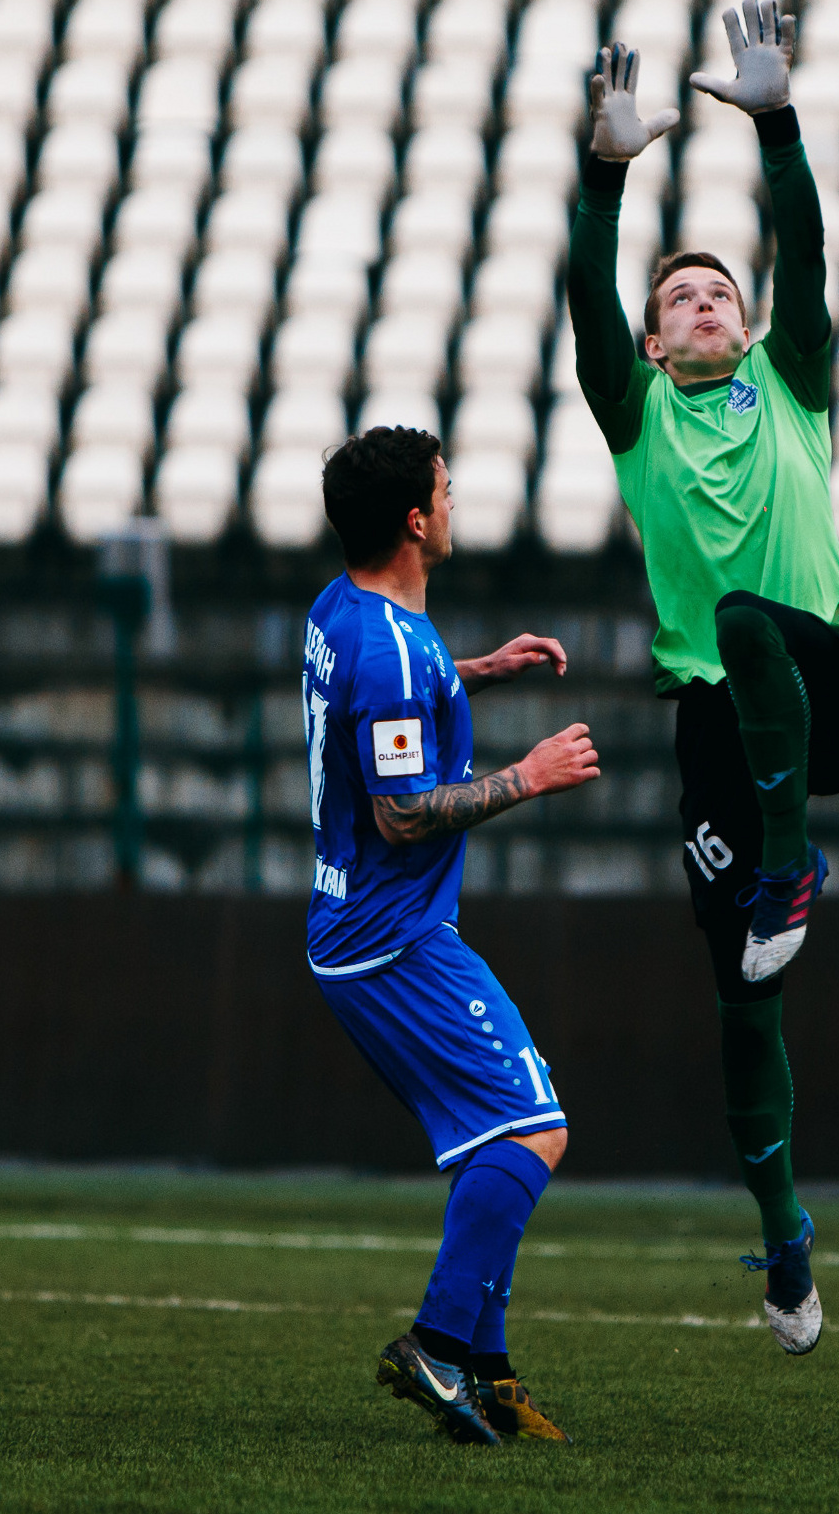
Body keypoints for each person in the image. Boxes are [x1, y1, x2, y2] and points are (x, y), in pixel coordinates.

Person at [568, 0, 839, 1356]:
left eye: (717, 293)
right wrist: (605, 179)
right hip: (716, 730)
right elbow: (589, 299)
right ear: (652, 344)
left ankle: (789, 872)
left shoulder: (794, 380)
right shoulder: (634, 411)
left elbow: (807, 254)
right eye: (673, 300)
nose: (697, 303)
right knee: (740, 1006)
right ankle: (785, 1247)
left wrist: (777, 125)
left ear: (747, 324)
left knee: (758, 618)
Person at [303, 425, 603, 1444]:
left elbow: (384, 698)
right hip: (394, 938)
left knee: (504, 1126)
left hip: (368, 929)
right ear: (417, 521)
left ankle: (485, 1369)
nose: (455, 502)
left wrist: (477, 669)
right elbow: (400, 813)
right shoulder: (388, 650)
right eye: (446, 488)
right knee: (532, 1130)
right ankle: (440, 1345)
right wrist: (532, 774)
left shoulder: (347, 609)